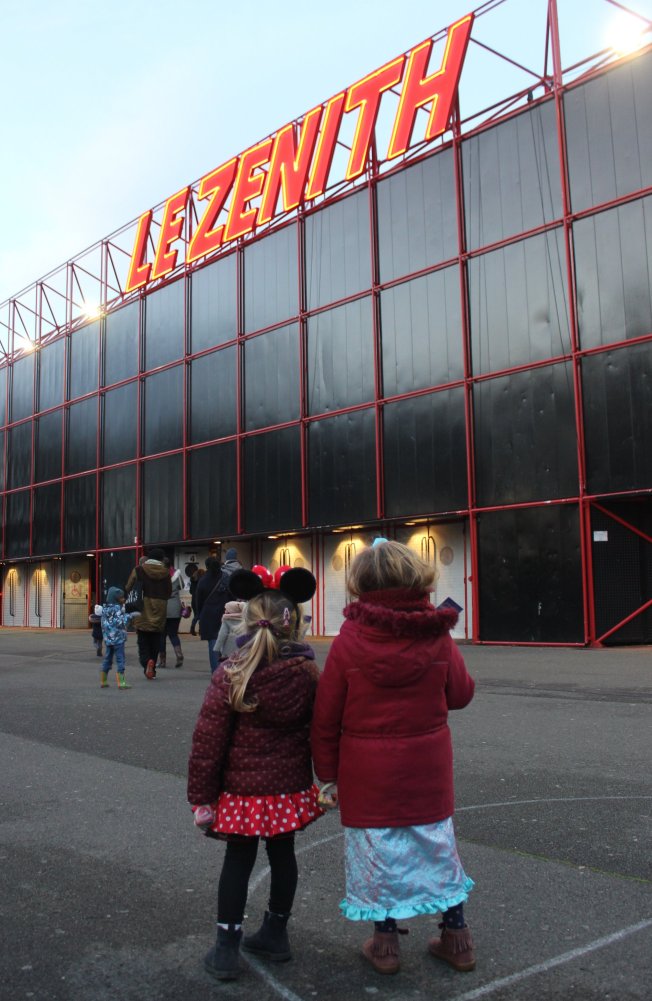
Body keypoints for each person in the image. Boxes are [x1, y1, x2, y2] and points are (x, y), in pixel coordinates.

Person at [311, 540, 476, 976]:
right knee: (438, 848)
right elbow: (460, 694)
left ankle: (385, 945)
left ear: (362, 584)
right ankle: (456, 937)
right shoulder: (436, 633)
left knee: (377, 855)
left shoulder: (350, 639)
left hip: (367, 774)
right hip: (427, 769)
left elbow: (326, 716)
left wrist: (327, 774)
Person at [187, 566, 323, 982]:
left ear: (244, 620)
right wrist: (329, 777)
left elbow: (208, 741)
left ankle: (226, 946)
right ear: (294, 622)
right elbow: (322, 730)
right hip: (288, 787)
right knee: (283, 855)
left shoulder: (231, 671)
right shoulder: (308, 674)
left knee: (238, 859)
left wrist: (202, 797)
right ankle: (275, 933)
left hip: (241, 790)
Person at [124, 548, 172, 680]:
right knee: (156, 640)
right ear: (161, 559)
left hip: (142, 607)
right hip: (160, 608)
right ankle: (153, 667)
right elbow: (169, 592)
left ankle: (146, 663)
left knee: (143, 639)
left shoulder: (139, 570)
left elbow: (128, 586)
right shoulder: (166, 572)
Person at [196, 549, 243, 673]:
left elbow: (198, 601)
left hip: (208, 615)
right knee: (227, 641)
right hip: (224, 612)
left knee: (213, 641)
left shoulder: (203, 580)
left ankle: (216, 671)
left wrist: (198, 616)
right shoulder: (226, 577)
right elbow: (233, 596)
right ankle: (227, 668)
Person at [99, 587, 139, 689]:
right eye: (121, 598)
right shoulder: (117, 609)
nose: (123, 599)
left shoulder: (104, 609)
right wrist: (130, 616)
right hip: (118, 639)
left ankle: (103, 680)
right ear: (116, 599)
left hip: (108, 639)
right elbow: (121, 622)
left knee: (107, 659)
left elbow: (103, 624)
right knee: (120, 659)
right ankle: (121, 682)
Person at [157, 559, 185, 668]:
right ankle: (179, 654)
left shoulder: (158, 576)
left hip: (163, 607)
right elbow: (182, 586)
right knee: (173, 634)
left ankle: (162, 661)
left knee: (161, 636)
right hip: (175, 607)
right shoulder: (177, 574)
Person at [187, 564, 204, 636]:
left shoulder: (193, 581)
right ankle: (200, 630)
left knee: (196, 615)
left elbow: (190, 591)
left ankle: (193, 628)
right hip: (200, 600)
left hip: (193, 600)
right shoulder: (202, 581)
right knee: (201, 615)